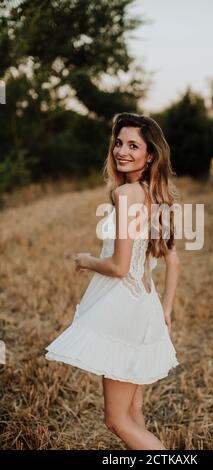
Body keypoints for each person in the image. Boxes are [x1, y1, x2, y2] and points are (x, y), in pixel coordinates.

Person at [45, 112, 181, 450]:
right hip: (144, 307)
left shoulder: (126, 196)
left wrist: (87, 260)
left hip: (122, 309)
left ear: (150, 154)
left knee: (116, 419)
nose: (122, 150)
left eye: (133, 145)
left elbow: (120, 267)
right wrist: (165, 309)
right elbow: (173, 260)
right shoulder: (154, 193)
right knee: (133, 410)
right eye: (119, 142)